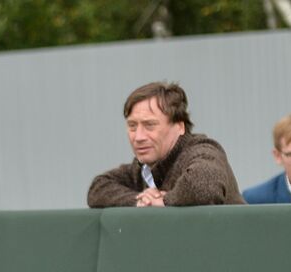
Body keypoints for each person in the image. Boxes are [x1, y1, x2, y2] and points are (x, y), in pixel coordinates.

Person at [88, 82, 243, 208]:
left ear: (180, 127)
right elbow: (98, 189)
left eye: (150, 125)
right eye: (132, 126)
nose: (138, 137)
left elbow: (205, 184)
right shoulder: (142, 168)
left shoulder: (203, 151)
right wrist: (141, 200)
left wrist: (165, 201)